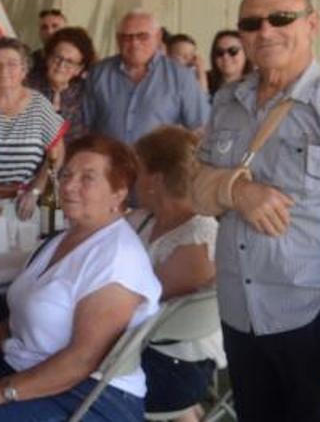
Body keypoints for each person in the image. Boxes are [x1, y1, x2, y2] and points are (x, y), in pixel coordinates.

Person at [198, 0, 320, 420]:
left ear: (312, 24)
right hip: (239, 311)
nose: (265, 31)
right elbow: (197, 188)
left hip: (312, 314)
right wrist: (238, 191)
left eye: (281, 18)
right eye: (251, 23)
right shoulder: (228, 102)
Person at [0, 135, 162, 421]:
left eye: (87, 178)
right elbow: (17, 319)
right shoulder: (63, 239)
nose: (68, 186)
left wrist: (3, 391)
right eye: (66, 174)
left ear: (118, 194)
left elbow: (83, 359)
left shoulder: (117, 258)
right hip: (24, 366)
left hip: (90, 396)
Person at [128, 126, 223, 420]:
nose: (132, 180)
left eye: (137, 170)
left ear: (155, 180)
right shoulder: (142, 219)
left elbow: (138, 307)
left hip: (175, 367)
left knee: (62, 366)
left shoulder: (197, 237)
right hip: (134, 349)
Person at [0, 38, 65, 222]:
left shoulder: (40, 105)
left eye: (12, 64)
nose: (4, 70)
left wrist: (36, 190)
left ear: (24, 70)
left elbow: (56, 155)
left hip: (24, 203)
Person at [83, 9, 208, 145]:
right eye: (127, 37)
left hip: (160, 164)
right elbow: (85, 125)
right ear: (117, 39)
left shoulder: (181, 77)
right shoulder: (99, 74)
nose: (134, 43)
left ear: (158, 37)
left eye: (142, 36)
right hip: (109, 163)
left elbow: (201, 128)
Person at [26, 26, 96, 144]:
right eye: (58, 57)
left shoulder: (84, 95)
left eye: (70, 61)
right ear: (48, 57)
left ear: (79, 69)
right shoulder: (27, 85)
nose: (61, 65)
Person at [206, 29, 253, 97]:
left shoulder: (257, 86)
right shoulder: (202, 81)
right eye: (220, 52)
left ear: (246, 53)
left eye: (233, 51)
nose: (225, 57)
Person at [28, 8, 67, 80]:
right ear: (39, 33)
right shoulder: (31, 61)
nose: (50, 31)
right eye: (44, 27)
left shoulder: (80, 59)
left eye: (55, 26)